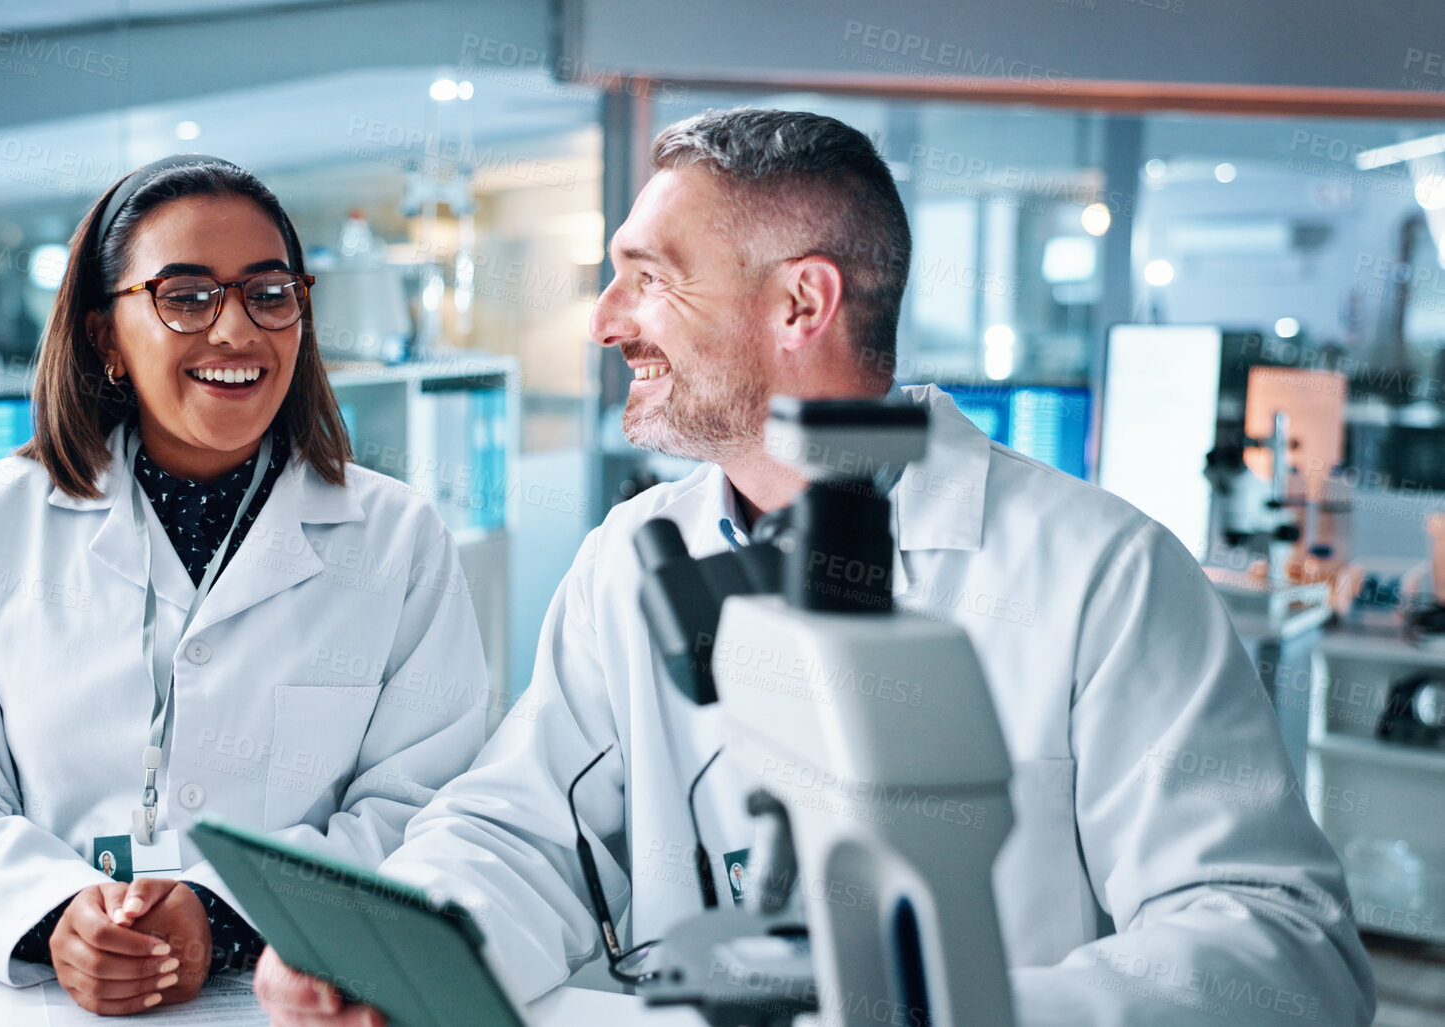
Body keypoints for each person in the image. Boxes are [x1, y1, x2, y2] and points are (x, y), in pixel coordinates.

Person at [255, 110, 1376, 1025]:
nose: (604, 322)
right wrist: (397, 943)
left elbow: (1282, 951)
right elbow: (518, 828)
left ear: (801, 303)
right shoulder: (628, 563)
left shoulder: (1105, 575)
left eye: (649, 278)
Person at [0, 155, 489, 1017]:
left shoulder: (396, 539)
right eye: (185, 296)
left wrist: (229, 916)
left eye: (269, 293)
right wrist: (53, 915)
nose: (235, 332)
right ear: (103, 335)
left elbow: (428, 811)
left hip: (293, 996)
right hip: (48, 1002)